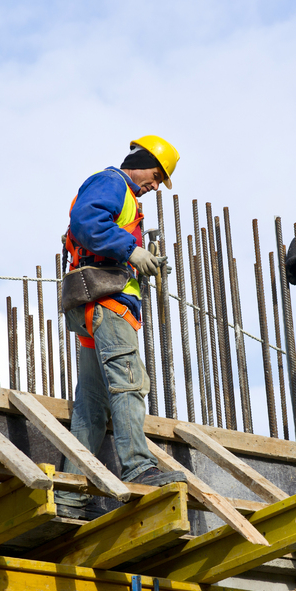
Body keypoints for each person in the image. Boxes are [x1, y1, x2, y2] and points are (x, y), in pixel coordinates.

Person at [56, 135, 186, 519]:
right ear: (142, 161)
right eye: (157, 175)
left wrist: (135, 255)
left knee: (92, 407)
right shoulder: (113, 182)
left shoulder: (126, 197)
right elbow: (86, 222)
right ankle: (139, 467)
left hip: (96, 306)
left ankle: (70, 495)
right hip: (107, 304)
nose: (156, 185)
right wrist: (131, 250)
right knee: (129, 383)